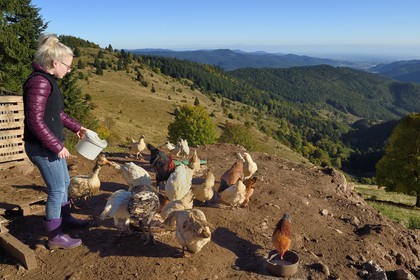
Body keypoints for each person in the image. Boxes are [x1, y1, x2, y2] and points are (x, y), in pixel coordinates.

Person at [23, 34, 88, 249]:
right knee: (57, 189)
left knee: (65, 183)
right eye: (67, 66)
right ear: (54, 63)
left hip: (49, 144)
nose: (69, 70)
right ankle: (54, 236)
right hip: (41, 147)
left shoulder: (47, 81)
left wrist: (77, 127)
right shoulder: (39, 83)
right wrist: (57, 145)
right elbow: (34, 120)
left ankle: (65, 219)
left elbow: (55, 113)